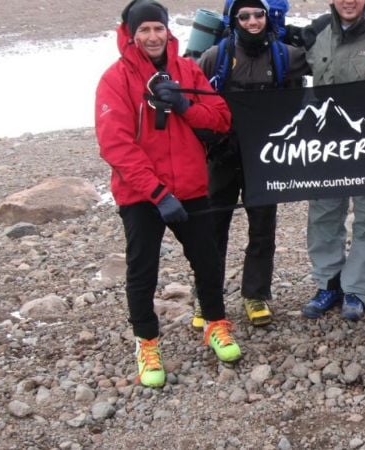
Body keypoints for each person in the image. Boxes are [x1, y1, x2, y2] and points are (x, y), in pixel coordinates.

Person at [95, 0, 242, 388]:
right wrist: (158, 194)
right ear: (130, 34)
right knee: (142, 272)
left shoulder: (187, 70)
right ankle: (146, 342)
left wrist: (184, 104)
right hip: (142, 195)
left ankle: (215, 324)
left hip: (192, 188)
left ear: (167, 31)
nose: (152, 36)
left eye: (158, 28)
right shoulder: (116, 79)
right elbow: (116, 146)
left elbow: (221, 117)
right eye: (143, 30)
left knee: (208, 262)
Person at [291, 0, 365, 322]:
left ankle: (357, 289)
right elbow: (282, 68)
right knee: (324, 215)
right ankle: (327, 283)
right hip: (326, 147)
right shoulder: (315, 32)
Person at [195, 0, 309, 328]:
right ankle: (207, 298)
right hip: (222, 154)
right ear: (234, 20)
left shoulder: (286, 55)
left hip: (265, 156)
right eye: (244, 16)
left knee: (262, 227)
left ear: (267, 17)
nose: (252, 21)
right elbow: (192, 97)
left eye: (258, 14)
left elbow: (328, 69)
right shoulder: (215, 57)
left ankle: (255, 294)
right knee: (213, 228)